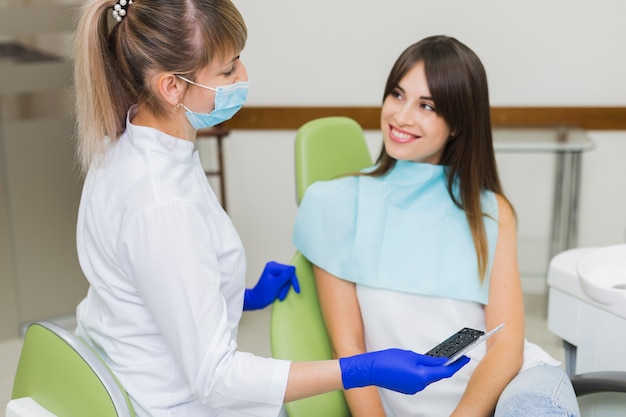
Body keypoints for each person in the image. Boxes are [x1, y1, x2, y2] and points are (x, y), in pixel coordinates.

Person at [72, 2, 470, 416]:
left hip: (118, 368)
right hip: (165, 403)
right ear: (171, 87)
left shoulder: (124, 143)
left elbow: (149, 286)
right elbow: (217, 379)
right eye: (227, 71)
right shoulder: (162, 204)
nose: (242, 77)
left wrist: (239, 297)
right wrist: (362, 369)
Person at [293, 35, 581, 417]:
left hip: (510, 388)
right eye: (397, 95)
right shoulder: (334, 203)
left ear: (459, 123)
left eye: (426, 105)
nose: (401, 116)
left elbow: (507, 345)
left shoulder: (490, 209)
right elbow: (348, 348)